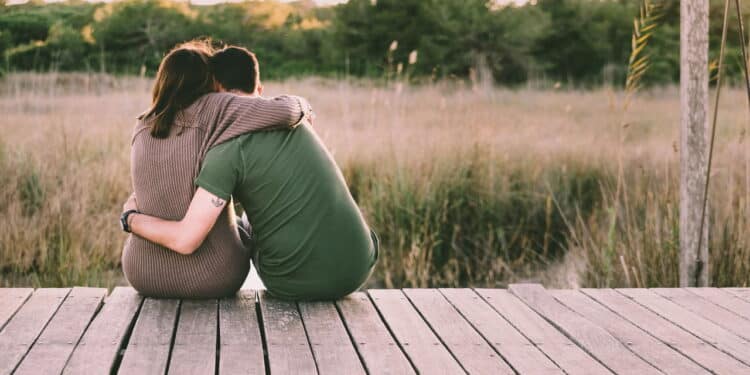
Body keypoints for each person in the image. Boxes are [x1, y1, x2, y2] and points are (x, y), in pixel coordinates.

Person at [122, 46, 378, 301]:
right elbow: (285, 111)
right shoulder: (293, 128)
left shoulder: (213, 148)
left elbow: (186, 235)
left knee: (244, 222)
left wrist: (130, 218)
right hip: (360, 265)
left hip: (286, 283)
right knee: (253, 217)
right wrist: (304, 106)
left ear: (217, 90)